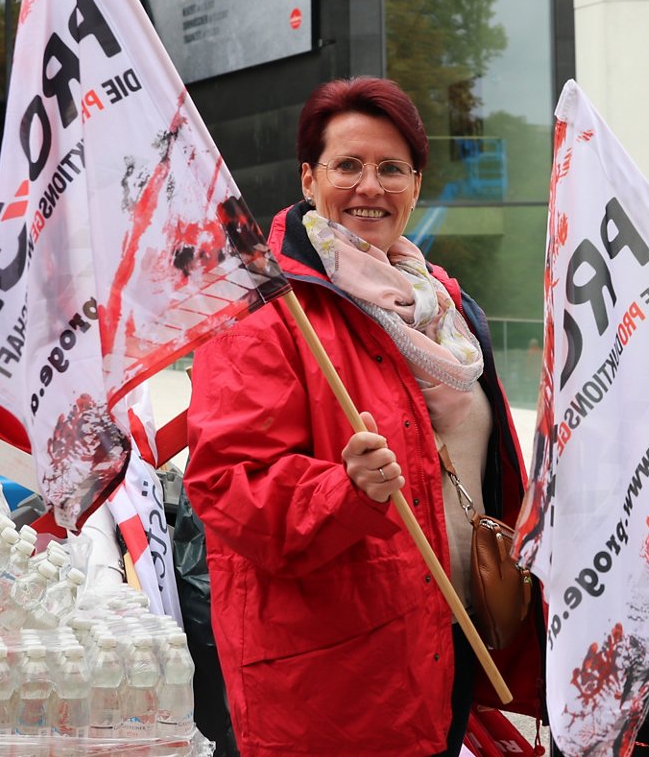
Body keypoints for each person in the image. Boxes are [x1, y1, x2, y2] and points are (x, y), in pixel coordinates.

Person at [183, 77, 542, 756]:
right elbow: (227, 486)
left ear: (416, 184)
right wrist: (341, 491)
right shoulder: (265, 309)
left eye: (391, 169)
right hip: (334, 677)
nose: (369, 186)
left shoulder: (446, 308)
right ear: (309, 178)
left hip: (453, 640)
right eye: (348, 165)